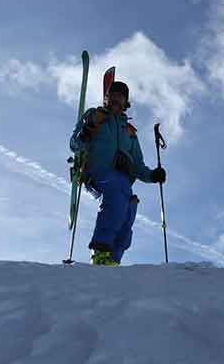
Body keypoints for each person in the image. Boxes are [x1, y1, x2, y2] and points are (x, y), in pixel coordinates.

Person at [70, 81, 166, 265]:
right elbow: (74, 144)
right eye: (112, 95)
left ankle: (113, 259)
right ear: (106, 97)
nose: (116, 99)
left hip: (122, 179)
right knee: (116, 190)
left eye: (120, 97)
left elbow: (138, 165)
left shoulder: (129, 132)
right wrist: (84, 134)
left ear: (126, 102)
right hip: (96, 173)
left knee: (129, 206)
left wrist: (153, 175)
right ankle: (100, 250)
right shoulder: (94, 116)